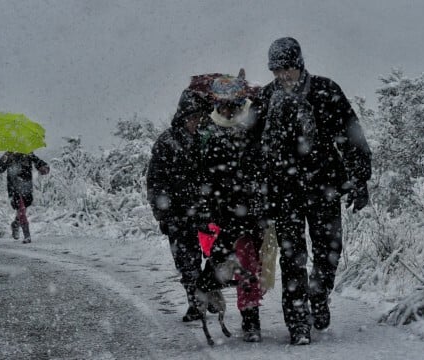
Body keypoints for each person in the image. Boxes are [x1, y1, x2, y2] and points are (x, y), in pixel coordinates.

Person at [254, 37, 372, 345]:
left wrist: (360, 180)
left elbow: (351, 134)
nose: (282, 76)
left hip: (324, 188)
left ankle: (319, 294)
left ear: (300, 64)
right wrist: (256, 191)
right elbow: (250, 150)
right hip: (283, 192)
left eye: (287, 69)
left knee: (329, 253)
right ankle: (298, 323)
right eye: (276, 70)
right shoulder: (266, 99)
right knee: (292, 260)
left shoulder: (325, 91)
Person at [195, 72, 265, 342]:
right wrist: (206, 208)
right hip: (227, 213)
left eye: (231, 105)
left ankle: (248, 318)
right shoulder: (211, 136)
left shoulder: (252, 132)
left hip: (251, 211)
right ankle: (243, 315)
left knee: (247, 265)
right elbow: (206, 177)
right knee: (233, 263)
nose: (226, 110)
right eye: (222, 105)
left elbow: (262, 169)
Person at [146, 89, 212, 322]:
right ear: (183, 116)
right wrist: (162, 212)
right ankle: (196, 302)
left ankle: (208, 291)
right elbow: (155, 180)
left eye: (198, 117)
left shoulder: (207, 139)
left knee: (214, 256)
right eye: (191, 117)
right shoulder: (166, 142)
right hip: (177, 213)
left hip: (206, 210)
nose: (195, 122)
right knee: (186, 260)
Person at [0, 151, 50, 243]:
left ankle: (16, 223)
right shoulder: (8, 155)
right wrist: (4, 159)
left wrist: (44, 167)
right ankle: (27, 235)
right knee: (21, 208)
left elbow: (38, 163)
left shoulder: (28, 153)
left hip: (26, 186)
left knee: (23, 208)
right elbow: (0, 169)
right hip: (14, 187)